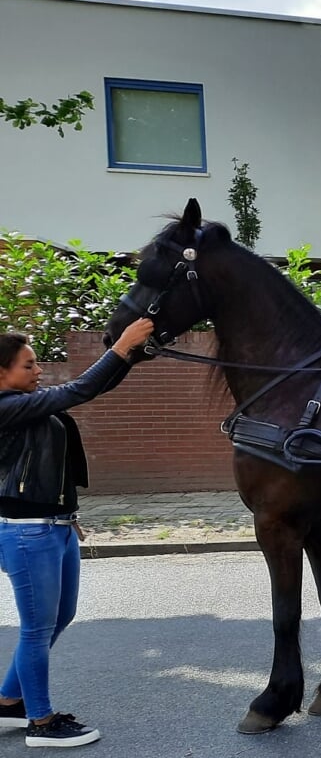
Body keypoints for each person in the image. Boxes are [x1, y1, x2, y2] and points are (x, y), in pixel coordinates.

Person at [0, 317, 153, 748]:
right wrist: (121, 347)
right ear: (2, 373)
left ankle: (8, 702)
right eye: (28, 365)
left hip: (56, 525)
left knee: (58, 618)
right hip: (27, 532)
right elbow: (79, 389)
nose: (38, 371)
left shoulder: (23, 401)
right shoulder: (5, 407)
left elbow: (91, 389)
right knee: (36, 628)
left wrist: (132, 355)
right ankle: (42, 723)